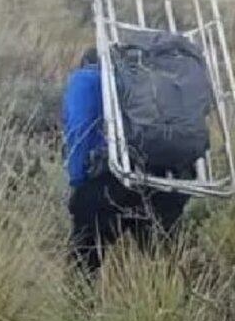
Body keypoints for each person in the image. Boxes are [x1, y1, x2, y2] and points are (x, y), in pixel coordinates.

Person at [63, 46, 190, 274]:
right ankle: (173, 295)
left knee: (84, 266)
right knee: (164, 265)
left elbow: (79, 131)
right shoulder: (158, 83)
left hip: (109, 181)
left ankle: (82, 297)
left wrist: (77, 180)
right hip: (162, 180)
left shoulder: (87, 79)